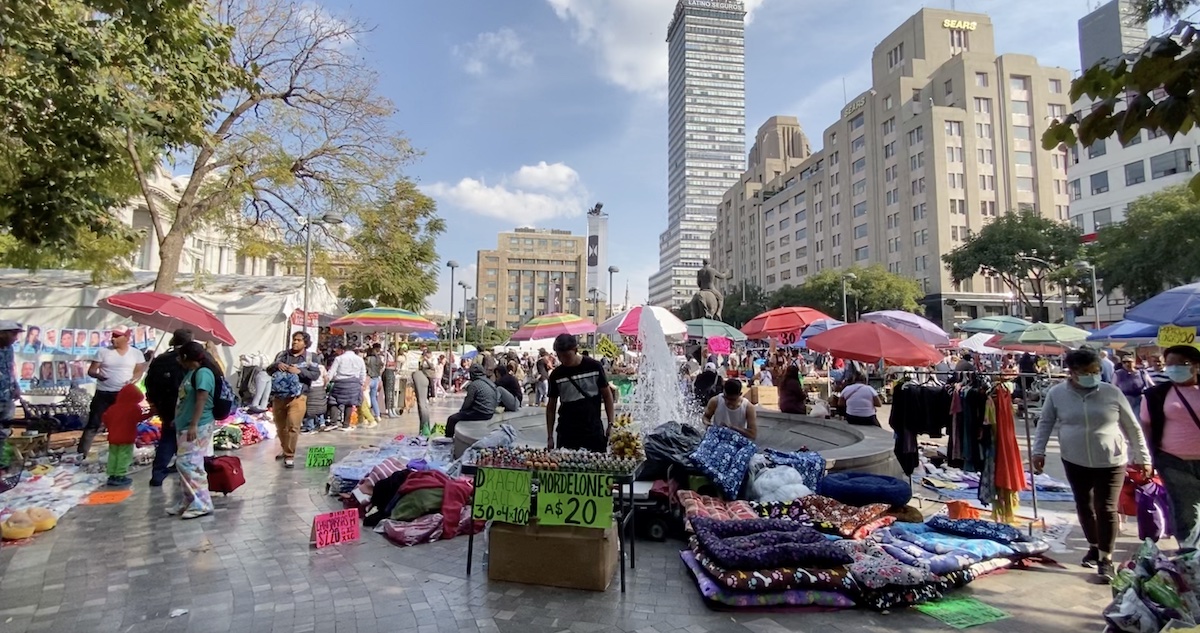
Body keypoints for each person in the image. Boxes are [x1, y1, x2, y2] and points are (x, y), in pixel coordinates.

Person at [1033, 347, 1151, 581]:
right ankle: (1094, 545)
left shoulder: (1112, 392)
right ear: (1073, 372)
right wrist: (1039, 451)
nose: (1092, 375)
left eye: (1095, 370)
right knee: (1084, 505)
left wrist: (1143, 457)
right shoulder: (1058, 394)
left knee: (1106, 507)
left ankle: (1106, 559)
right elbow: (1045, 422)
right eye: (1086, 371)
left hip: (1112, 460)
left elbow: (1133, 427)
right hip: (1074, 459)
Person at [1141, 344, 1200, 540]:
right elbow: (1147, 427)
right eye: (1170, 365)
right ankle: (1190, 555)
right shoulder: (1156, 395)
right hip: (1173, 461)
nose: (1174, 369)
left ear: (1196, 365)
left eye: (1181, 364)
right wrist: (1148, 457)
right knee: (1186, 511)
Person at [79, 325, 146, 456]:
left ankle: (121, 453)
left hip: (123, 394)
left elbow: (139, 370)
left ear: (126, 338)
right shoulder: (103, 351)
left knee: (124, 423)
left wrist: (134, 379)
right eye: (112, 336)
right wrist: (98, 376)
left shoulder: (136, 353)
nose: (113, 339)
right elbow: (92, 371)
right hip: (103, 392)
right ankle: (81, 453)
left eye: (117, 336)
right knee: (94, 423)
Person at [171, 342, 219, 519]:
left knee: (189, 464)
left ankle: (202, 503)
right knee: (186, 464)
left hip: (198, 426)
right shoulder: (191, 373)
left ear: (185, 357)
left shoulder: (203, 373)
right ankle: (188, 499)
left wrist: (193, 424)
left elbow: (202, 398)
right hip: (185, 425)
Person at [546, 334, 615, 452]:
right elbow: (551, 406)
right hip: (567, 431)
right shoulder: (556, 375)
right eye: (559, 356)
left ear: (575, 350)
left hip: (592, 429)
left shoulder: (594, 366)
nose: (563, 360)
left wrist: (611, 423)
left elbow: (607, 395)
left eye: (567, 356)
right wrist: (550, 436)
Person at [143, 329, 193, 486]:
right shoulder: (189, 360)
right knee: (185, 441)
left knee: (168, 438)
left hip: (165, 406)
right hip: (184, 406)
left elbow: (149, 382)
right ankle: (184, 474)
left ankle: (158, 473)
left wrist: (155, 402)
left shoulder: (161, 359)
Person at [266, 332, 322, 468]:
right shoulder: (282, 355)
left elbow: (315, 375)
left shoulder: (310, 357)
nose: (295, 342)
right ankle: (285, 448)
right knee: (280, 427)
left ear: (305, 343)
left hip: (299, 397)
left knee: (293, 426)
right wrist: (276, 366)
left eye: (298, 340)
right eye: (294, 340)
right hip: (279, 396)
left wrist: (299, 372)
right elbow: (268, 370)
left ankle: (289, 455)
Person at [102, 384, 151, 488]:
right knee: (124, 456)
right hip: (126, 437)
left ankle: (112, 475)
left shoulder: (112, 408)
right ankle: (120, 475)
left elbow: (105, 419)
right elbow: (139, 418)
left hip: (113, 437)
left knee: (113, 456)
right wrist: (151, 413)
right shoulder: (134, 407)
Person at [445, 365, 498, 438]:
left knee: (452, 419)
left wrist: (461, 412)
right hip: (490, 411)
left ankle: (448, 439)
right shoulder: (490, 383)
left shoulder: (474, 385)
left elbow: (468, 402)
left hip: (481, 413)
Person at [326, 343, 367, 431]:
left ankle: (333, 423)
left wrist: (327, 381)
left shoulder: (339, 358)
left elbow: (332, 371)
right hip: (354, 383)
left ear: (343, 350)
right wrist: (362, 383)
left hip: (340, 382)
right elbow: (363, 372)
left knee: (334, 401)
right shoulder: (359, 359)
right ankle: (346, 425)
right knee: (349, 403)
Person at [365, 344, 384, 419]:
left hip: (369, 378)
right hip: (376, 379)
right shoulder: (378, 358)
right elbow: (381, 366)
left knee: (366, 398)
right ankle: (377, 414)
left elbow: (365, 368)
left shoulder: (367, 359)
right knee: (374, 398)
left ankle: (367, 415)